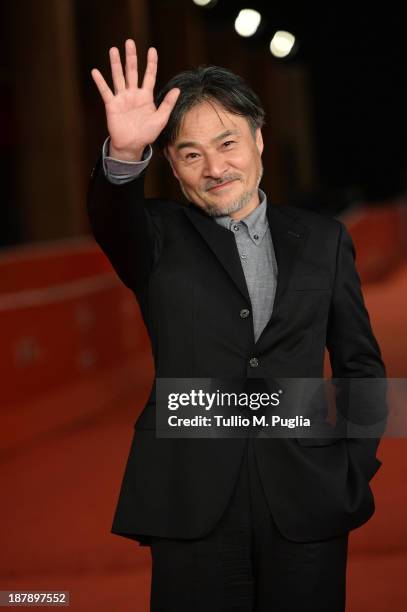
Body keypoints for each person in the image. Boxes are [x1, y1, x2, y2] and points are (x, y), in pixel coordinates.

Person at [87, 39, 387, 612]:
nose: (216, 167)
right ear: (171, 166)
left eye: (227, 143)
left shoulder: (324, 239)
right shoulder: (153, 236)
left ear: (259, 139)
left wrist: (352, 464)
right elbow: (111, 215)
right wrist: (125, 153)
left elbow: (360, 362)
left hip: (307, 497)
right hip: (191, 500)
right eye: (191, 153)